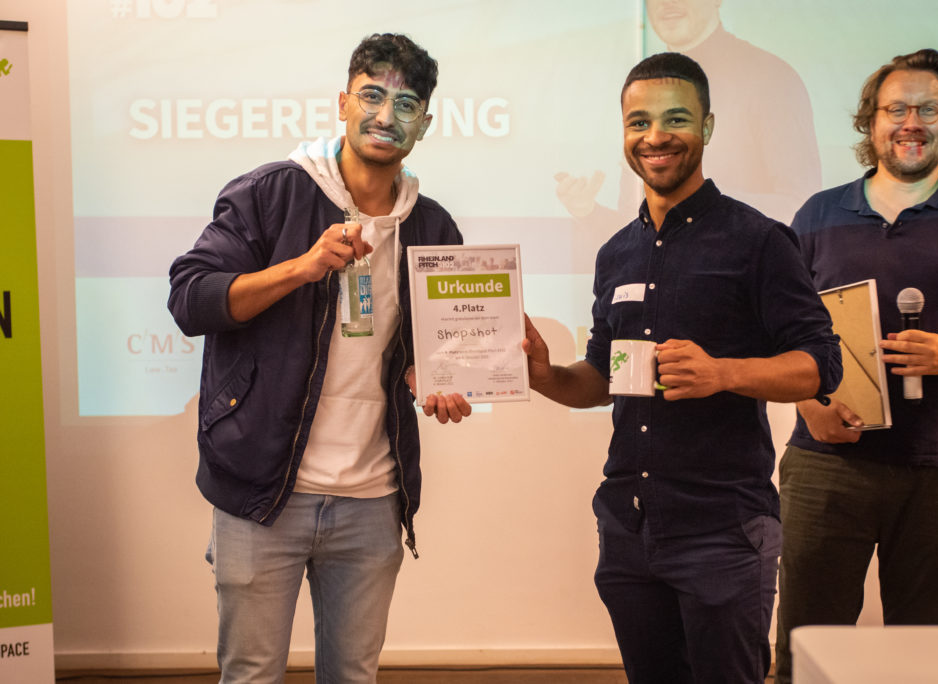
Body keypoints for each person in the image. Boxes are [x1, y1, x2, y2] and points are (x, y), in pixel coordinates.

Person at [524, 52, 841, 683]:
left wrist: (724, 374)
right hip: (629, 526)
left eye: (675, 119)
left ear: (708, 127)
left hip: (723, 529)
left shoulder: (759, 240)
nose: (656, 136)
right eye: (638, 122)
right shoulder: (616, 252)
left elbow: (820, 366)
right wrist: (544, 376)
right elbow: (601, 378)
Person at [167, 33, 470, 684]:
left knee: (353, 676)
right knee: (251, 674)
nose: (386, 115)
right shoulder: (268, 193)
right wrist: (300, 268)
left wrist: (432, 376)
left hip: (373, 498)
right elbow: (190, 299)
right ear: (342, 102)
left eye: (406, 104)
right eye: (371, 96)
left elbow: (423, 352)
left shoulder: (433, 227)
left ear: (425, 123)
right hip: (264, 491)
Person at [773, 48, 938, 684]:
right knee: (806, 650)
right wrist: (809, 402)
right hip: (828, 464)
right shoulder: (817, 214)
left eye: (929, 109)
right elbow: (778, 333)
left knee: (925, 661)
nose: (912, 122)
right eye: (896, 110)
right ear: (872, 121)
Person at [555, 0, 821, 272]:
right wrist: (589, 212)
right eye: (641, 123)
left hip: (739, 282)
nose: (667, 3)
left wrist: (698, 203)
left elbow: (801, 207)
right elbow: (643, 236)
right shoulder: (642, 88)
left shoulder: (771, 77)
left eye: (677, 119)